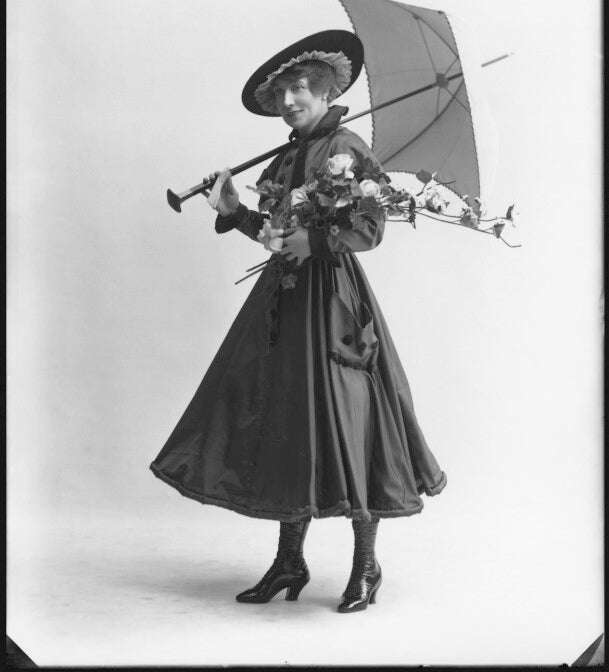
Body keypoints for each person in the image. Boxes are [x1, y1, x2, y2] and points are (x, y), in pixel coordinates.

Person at [150, 30, 447, 613]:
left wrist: (318, 241)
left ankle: (367, 565)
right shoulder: (286, 157)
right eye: (282, 93)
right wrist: (236, 212)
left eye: (301, 88)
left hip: (333, 305)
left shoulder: (348, 146)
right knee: (286, 419)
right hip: (283, 302)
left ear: (328, 91)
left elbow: (370, 228)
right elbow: (274, 236)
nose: (290, 100)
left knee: (351, 422)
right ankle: (290, 561)